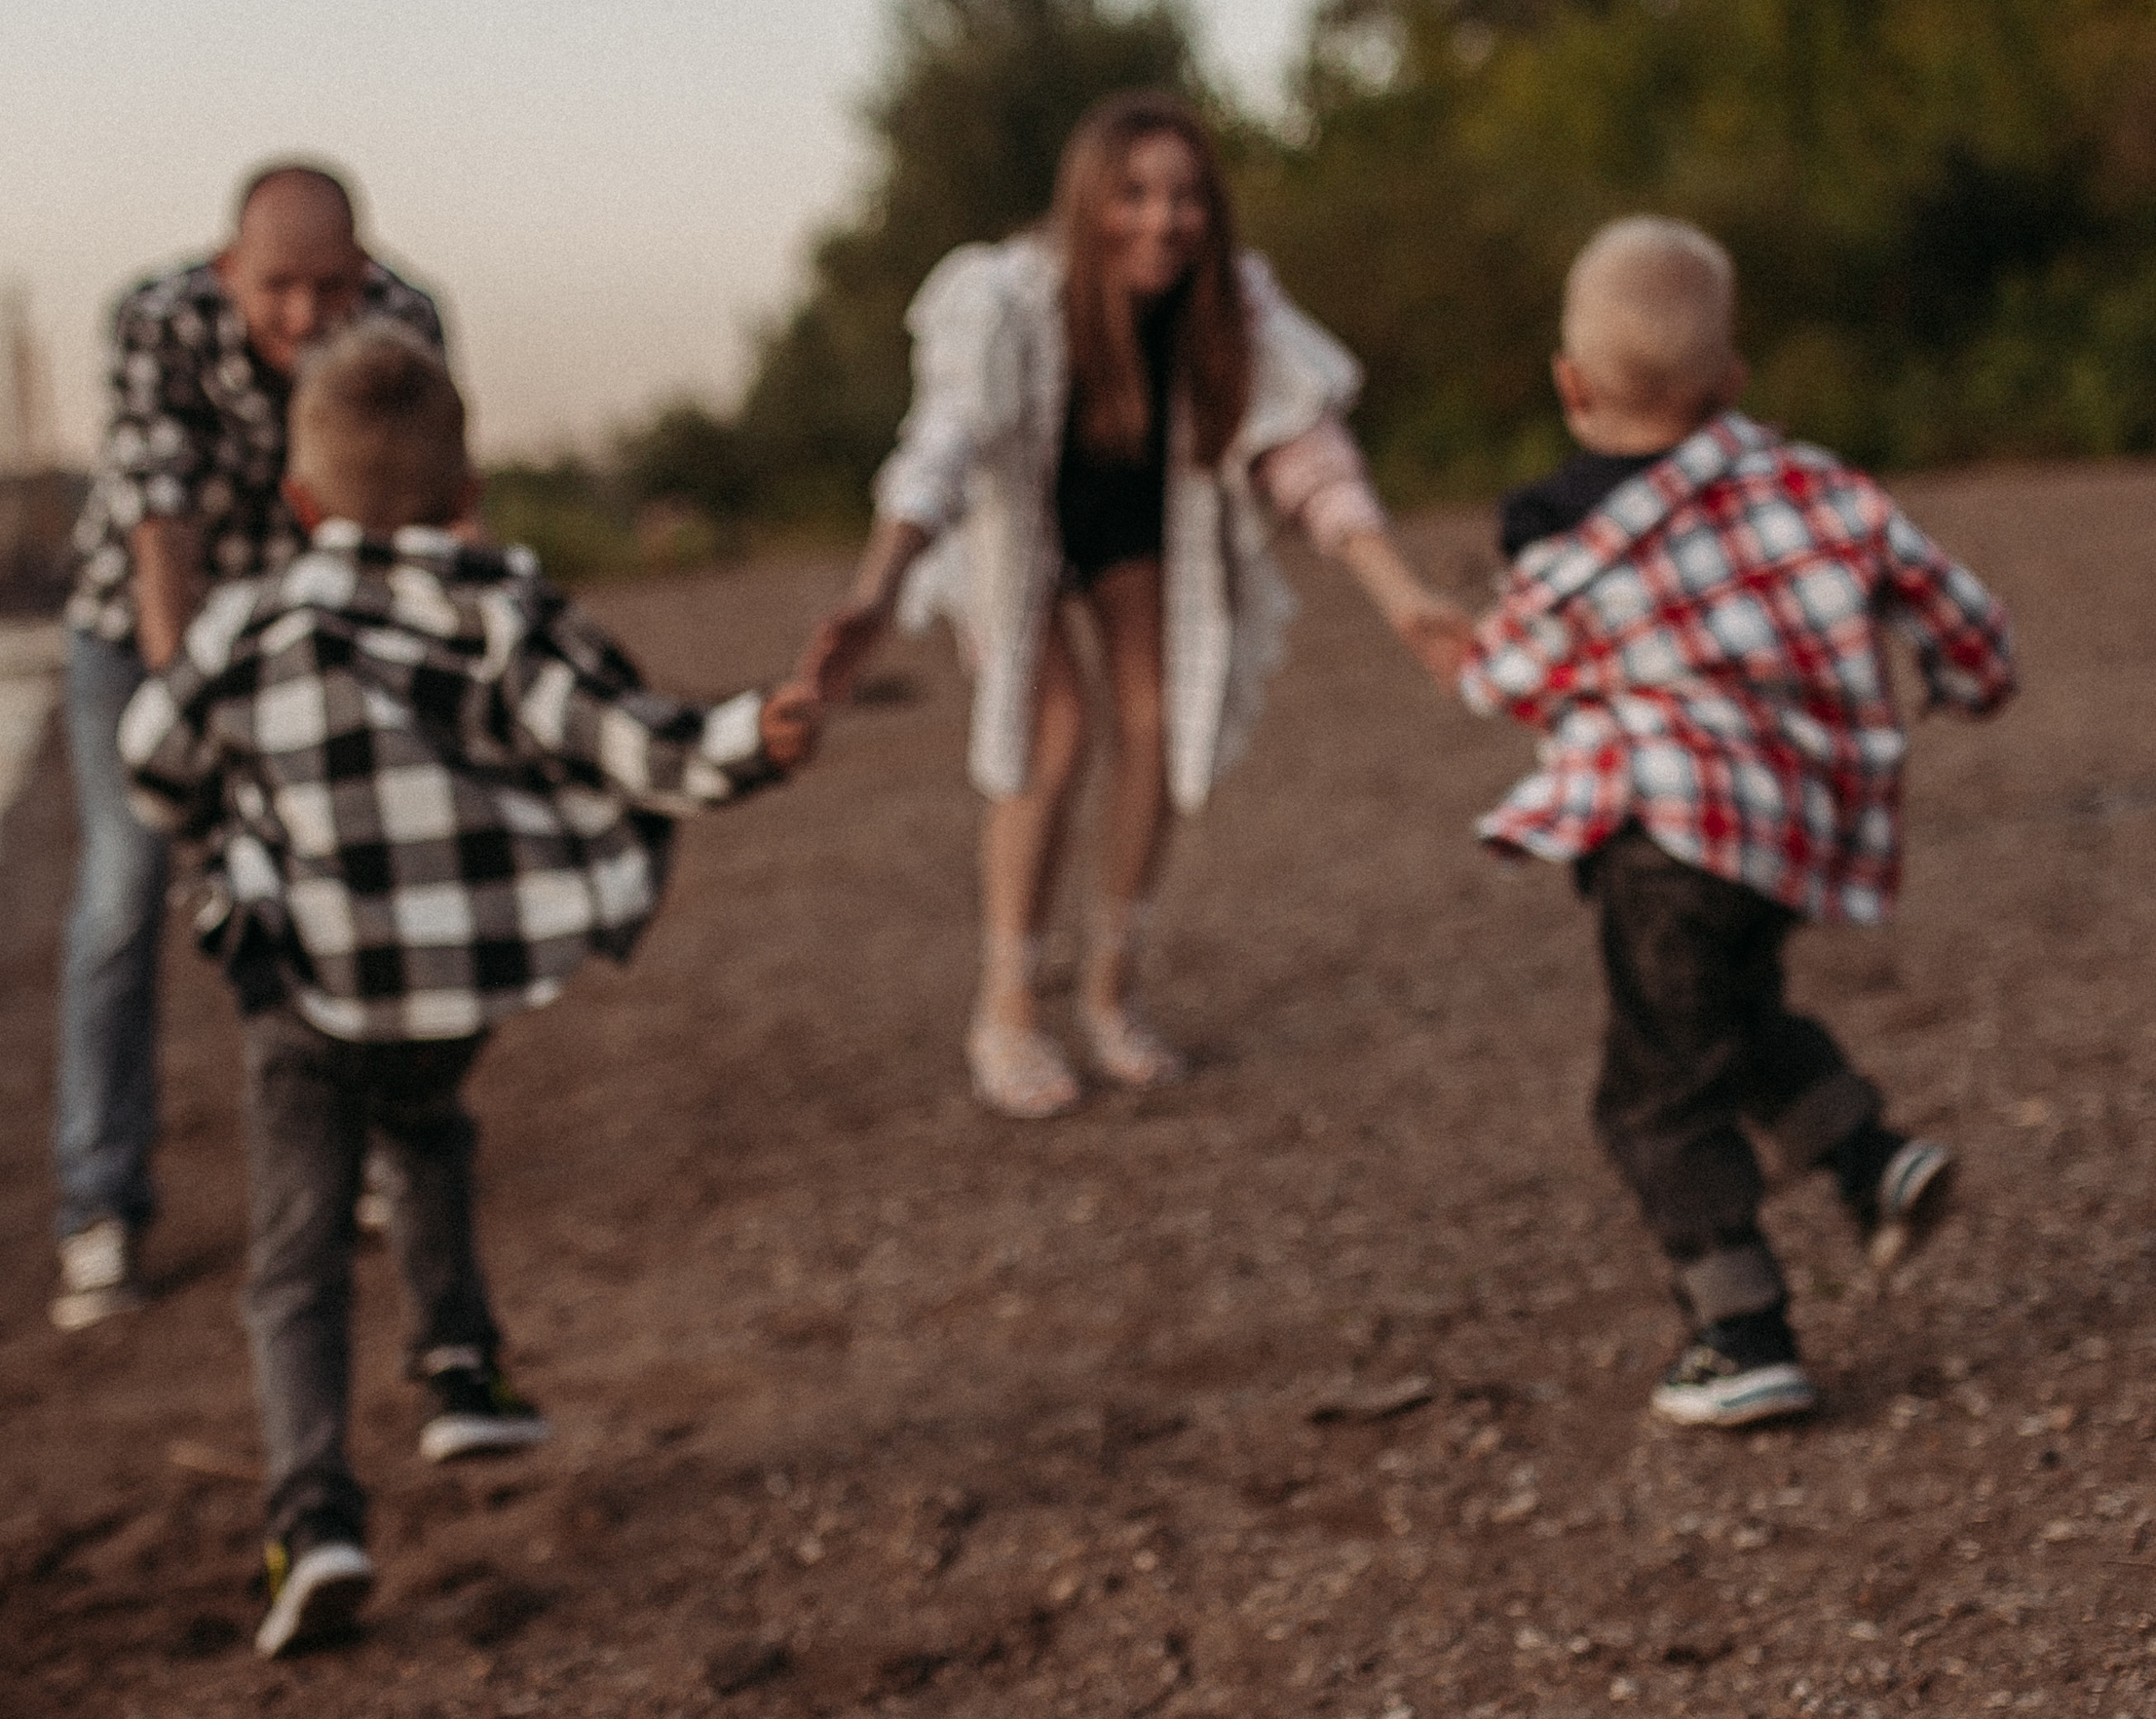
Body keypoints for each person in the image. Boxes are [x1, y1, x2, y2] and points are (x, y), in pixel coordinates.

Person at [118, 323, 820, 1659]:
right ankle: (457, 1365)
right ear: (467, 493)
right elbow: (636, 743)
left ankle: (312, 1516)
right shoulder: (502, 608)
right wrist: (755, 737)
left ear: (300, 502)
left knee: (297, 1258)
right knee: (429, 1127)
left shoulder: (250, 622)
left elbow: (149, 757)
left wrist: (232, 807)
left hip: (308, 983)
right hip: (452, 983)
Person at [1434, 215, 2016, 1430]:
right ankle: (1869, 1159)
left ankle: (1740, 1328)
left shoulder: (1560, 529)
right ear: (1733, 384)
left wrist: (1464, 644)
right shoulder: (1812, 484)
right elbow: (1963, 619)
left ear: (1570, 385)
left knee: (1654, 1094)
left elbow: (1507, 678)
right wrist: (1965, 685)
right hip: (1782, 841)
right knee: (1734, 1020)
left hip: (1661, 846)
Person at [807, 91, 1466, 1115]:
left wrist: (1406, 599)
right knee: (1055, 735)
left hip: (1131, 522)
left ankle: (1112, 987)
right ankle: (1008, 1005)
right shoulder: (1007, 300)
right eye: (1134, 194)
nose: (1162, 220)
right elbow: (941, 448)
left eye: (1186, 196)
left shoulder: (1229, 307)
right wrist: (874, 593)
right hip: (1019, 523)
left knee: (1156, 721)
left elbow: (1308, 455)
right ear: (1088, 200)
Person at [52, 162, 444, 1333]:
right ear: (231, 270)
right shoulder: (154, 319)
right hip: (143, 636)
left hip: (312, 636)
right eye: (278, 288)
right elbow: (158, 526)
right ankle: (100, 1207)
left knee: (345, 884)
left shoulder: (407, 320)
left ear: (364, 268)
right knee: (127, 894)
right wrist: (187, 711)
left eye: (332, 287)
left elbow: (422, 504)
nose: (306, 318)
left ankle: (372, 1148)